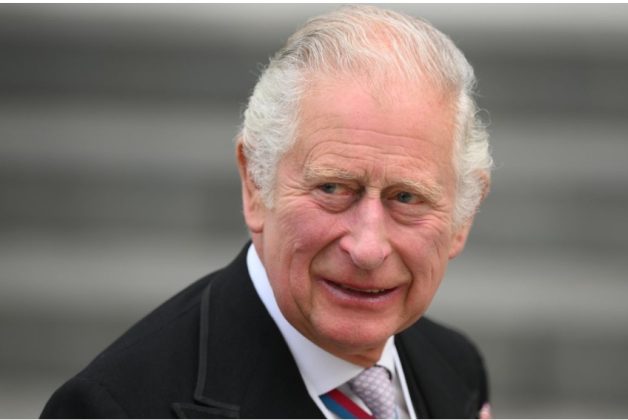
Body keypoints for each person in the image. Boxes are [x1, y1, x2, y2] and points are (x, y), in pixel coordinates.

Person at [41, 5, 493, 419]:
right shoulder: (113, 408)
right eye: (333, 188)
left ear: (463, 216)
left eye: (407, 198)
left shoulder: (457, 367)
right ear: (255, 185)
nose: (368, 248)